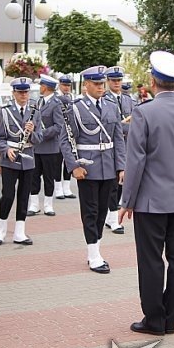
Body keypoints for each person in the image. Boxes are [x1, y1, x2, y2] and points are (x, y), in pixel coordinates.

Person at [118, 50, 174, 336]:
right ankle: (171, 319)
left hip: (150, 202)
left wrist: (127, 201)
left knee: (151, 259)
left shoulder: (143, 112)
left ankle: (154, 319)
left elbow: (136, 161)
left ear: (153, 80)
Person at [59, 65, 126, 274]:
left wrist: (121, 166)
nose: (100, 87)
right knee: (90, 211)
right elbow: (66, 140)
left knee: (103, 211)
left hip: (108, 166)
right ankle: (93, 254)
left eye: (101, 83)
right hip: (87, 167)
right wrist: (73, 166)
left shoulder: (111, 105)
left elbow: (118, 138)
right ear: (86, 84)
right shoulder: (75, 107)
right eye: (96, 84)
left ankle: (95, 248)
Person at [0, 77, 43, 246]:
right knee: (7, 195)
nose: (23, 95)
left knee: (24, 195)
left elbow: (39, 139)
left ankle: (20, 232)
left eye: (26, 92)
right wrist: (6, 150)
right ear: (13, 93)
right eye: (20, 92)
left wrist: (33, 131)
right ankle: (1, 230)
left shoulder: (35, 111)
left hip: (28, 158)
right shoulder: (5, 111)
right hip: (11, 158)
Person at [103, 66, 135, 234]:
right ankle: (113, 218)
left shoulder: (129, 100)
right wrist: (123, 125)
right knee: (113, 183)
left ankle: (111, 216)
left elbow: (137, 122)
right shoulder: (104, 99)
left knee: (122, 181)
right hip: (111, 147)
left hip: (127, 146)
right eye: (113, 80)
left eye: (119, 80)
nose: (117, 83)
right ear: (108, 82)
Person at [28, 74, 64, 217]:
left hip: (50, 147)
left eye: (41, 86)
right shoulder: (38, 102)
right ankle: (34, 204)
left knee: (49, 177)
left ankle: (48, 205)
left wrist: (41, 133)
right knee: (34, 177)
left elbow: (59, 126)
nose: (40, 88)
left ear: (45, 87)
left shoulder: (56, 104)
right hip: (36, 147)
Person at [54, 74, 78, 200]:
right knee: (57, 162)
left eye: (68, 85)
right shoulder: (56, 98)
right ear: (59, 85)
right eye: (64, 85)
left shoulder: (73, 98)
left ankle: (66, 187)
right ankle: (58, 188)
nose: (66, 87)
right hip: (59, 134)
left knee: (69, 160)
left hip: (70, 134)